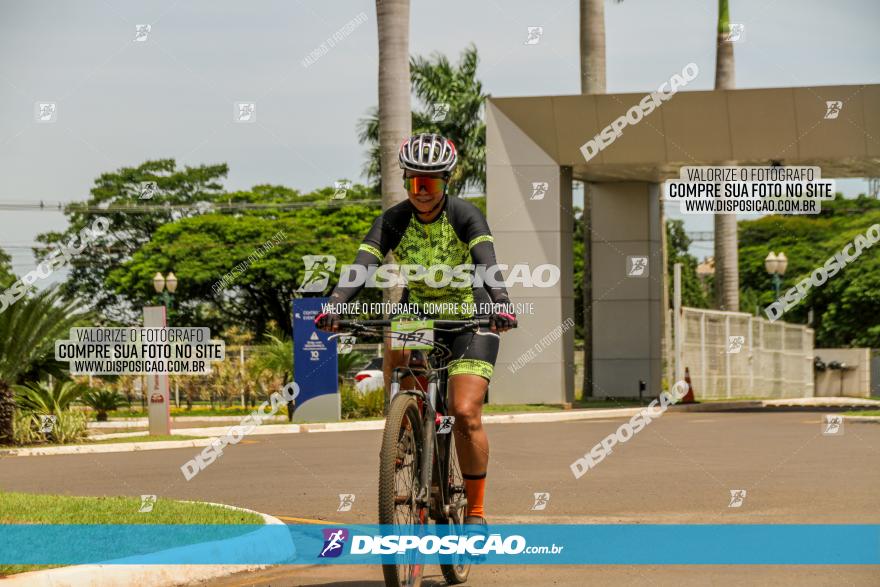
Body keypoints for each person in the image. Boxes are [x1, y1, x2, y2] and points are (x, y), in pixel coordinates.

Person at [315, 133, 516, 529]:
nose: (422, 192)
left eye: (432, 183)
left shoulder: (465, 215)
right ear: (406, 180)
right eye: (415, 183)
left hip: (471, 315)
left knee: (464, 412)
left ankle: (474, 511)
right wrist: (336, 303)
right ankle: (403, 423)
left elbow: (486, 261)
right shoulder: (393, 219)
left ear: (447, 182)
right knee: (395, 337)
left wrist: (502, 301)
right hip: (419, 311)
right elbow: (363, 262)